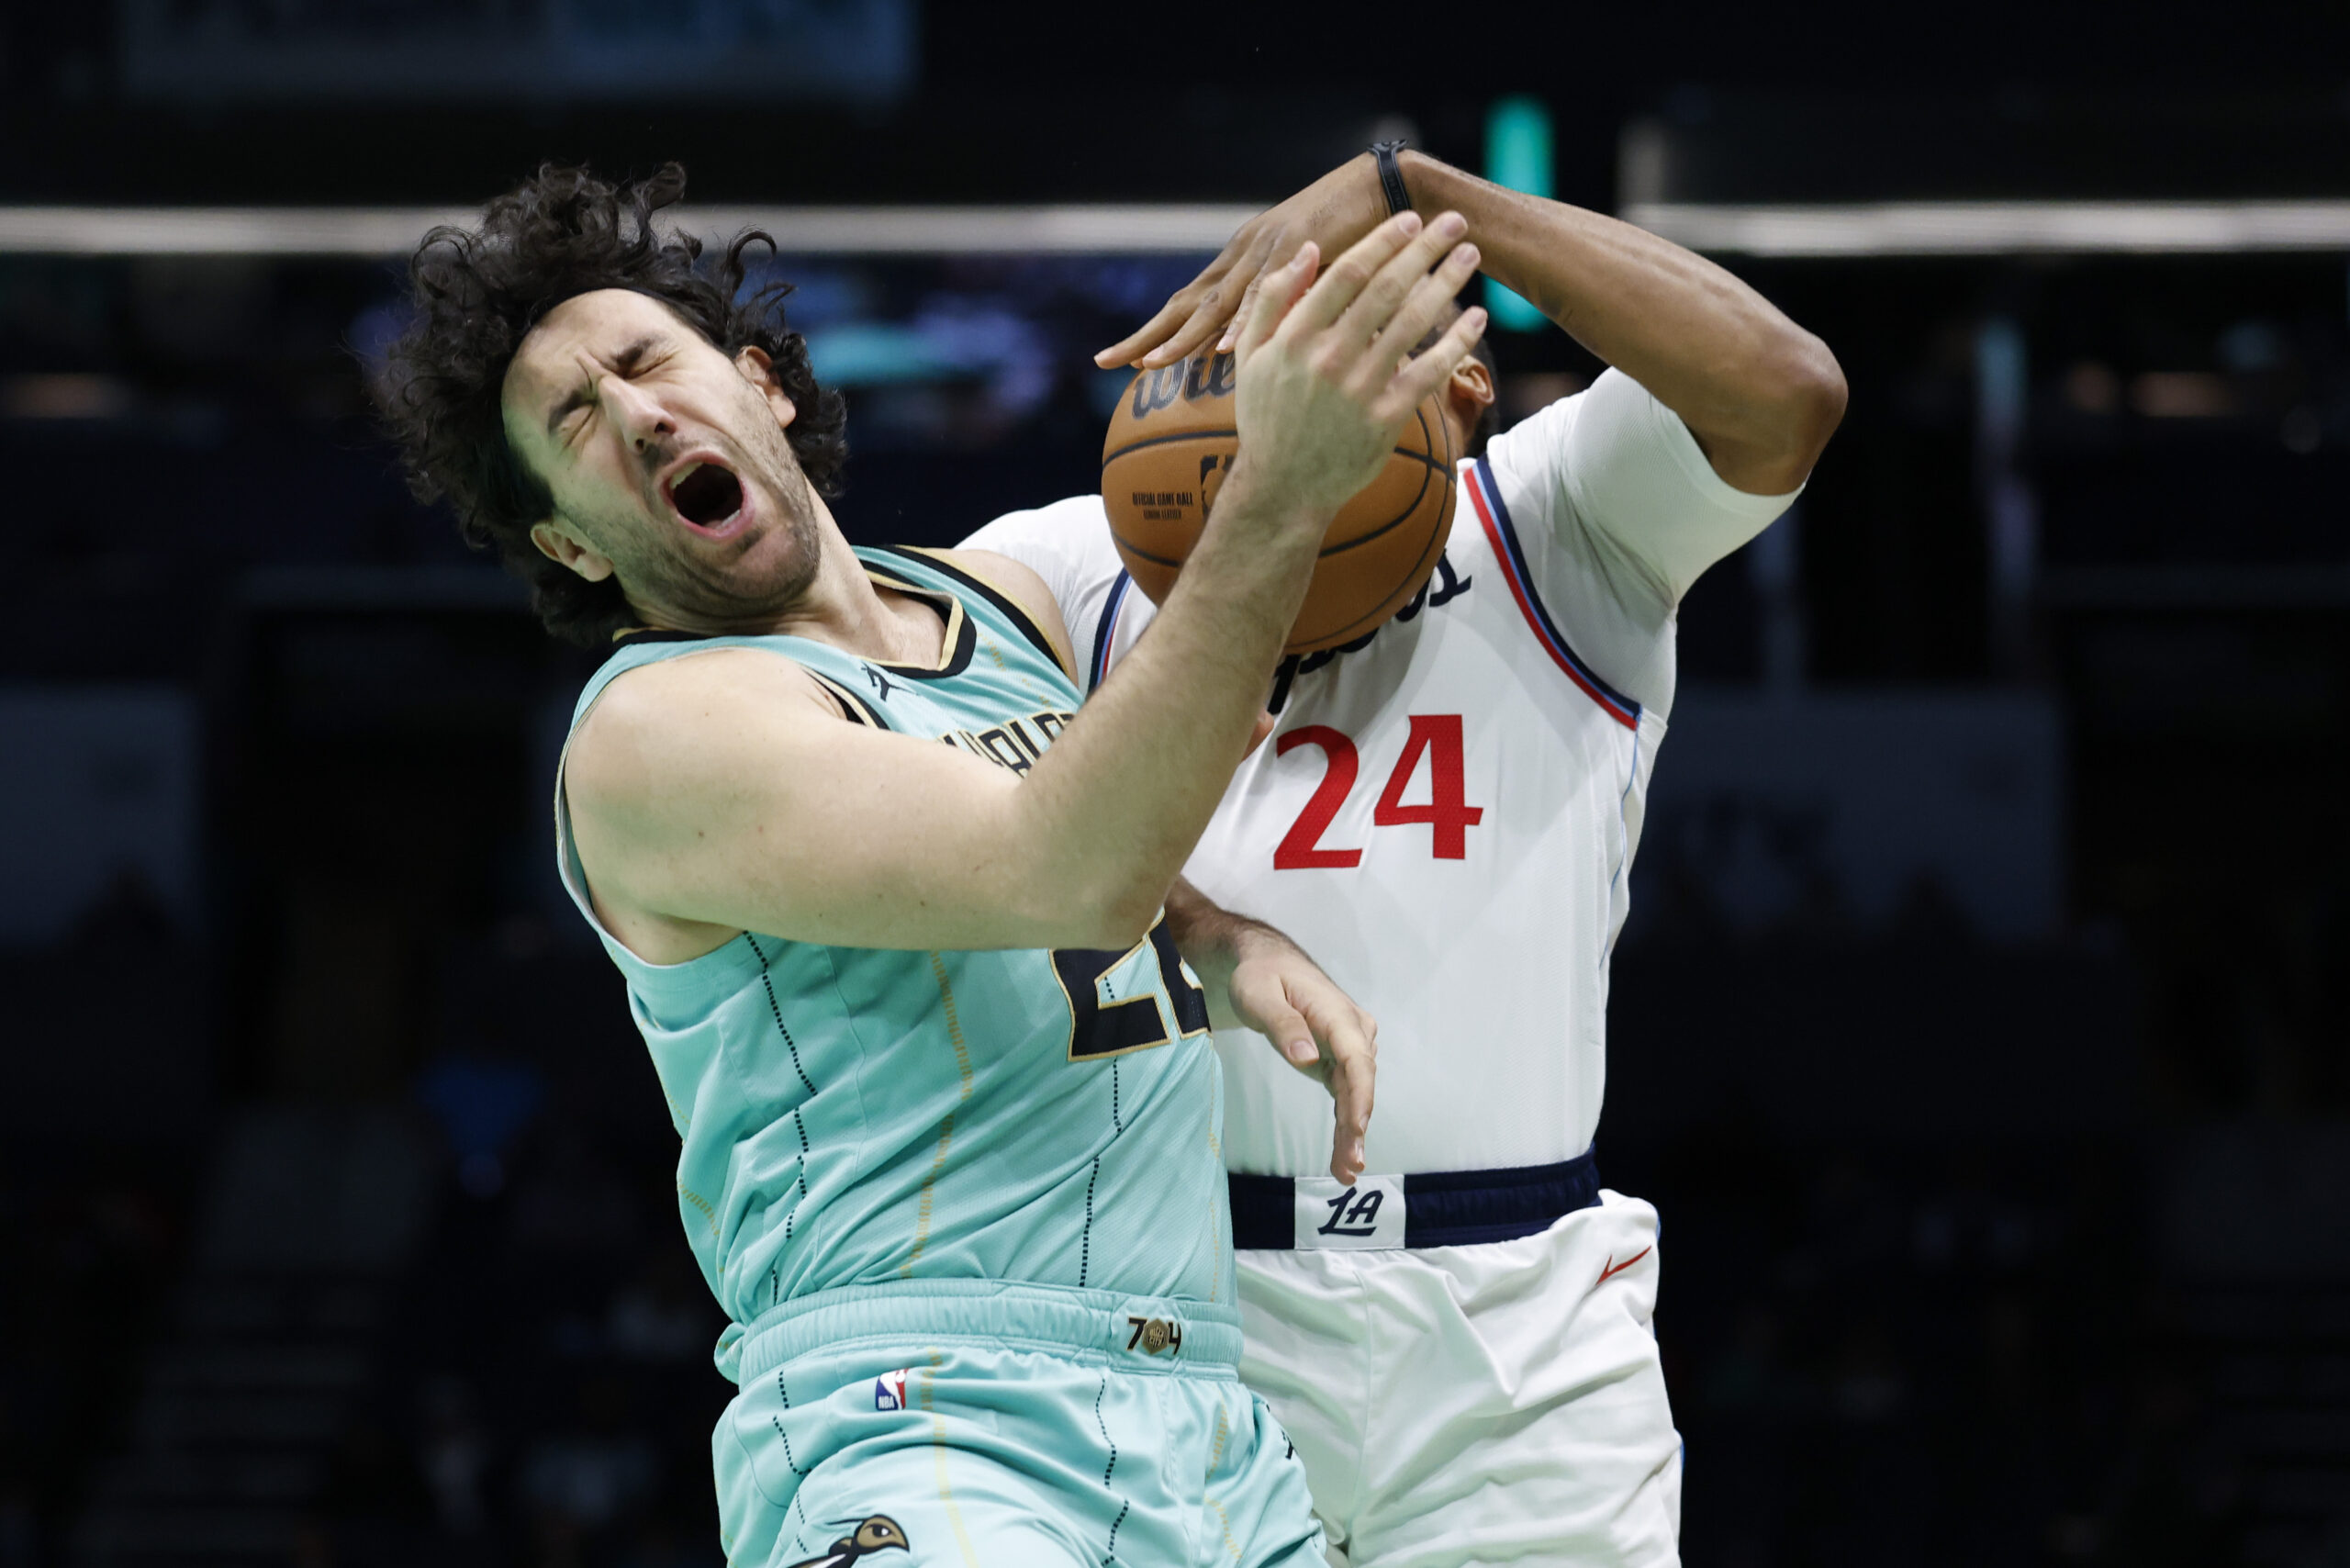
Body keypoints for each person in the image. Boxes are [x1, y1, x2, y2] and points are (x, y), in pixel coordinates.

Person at [377, 162, 1491, 1568]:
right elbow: (1060, 860)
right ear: (565, 543)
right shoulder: (653, 735)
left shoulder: (996, 604)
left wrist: (1212, 933)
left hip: (1211, 1426)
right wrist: (1279, 490)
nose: (639, 413)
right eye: (575, 423)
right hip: (926, 1411)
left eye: (648, 361)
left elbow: (1077, 844)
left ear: (762, 383)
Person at [961, 143, 1847, 1566]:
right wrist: (1192, 917)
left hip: (1525, 1338)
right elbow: (923, 790)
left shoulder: (1560, 524)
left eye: (1355, 352)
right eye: (1263, 363)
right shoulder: (1069, 570)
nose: (1298, 402)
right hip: (1174, 1307)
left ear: (1464, 382)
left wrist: (1432, 197)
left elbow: (1788, 393)